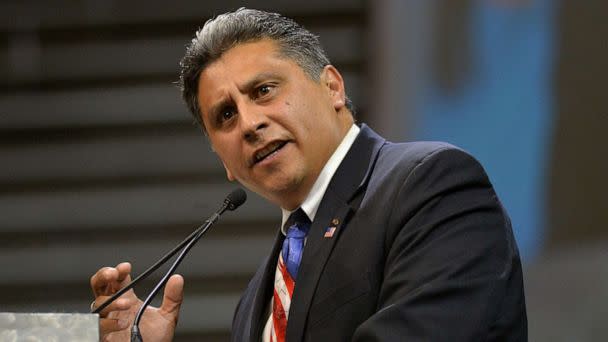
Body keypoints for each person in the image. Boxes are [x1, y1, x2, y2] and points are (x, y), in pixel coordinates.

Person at [90, 8, 527, 342]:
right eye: (225, 116)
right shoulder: (254, 302)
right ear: (223, 160)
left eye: (263, 90)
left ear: (333, 87)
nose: (248, 123)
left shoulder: (431, 186)